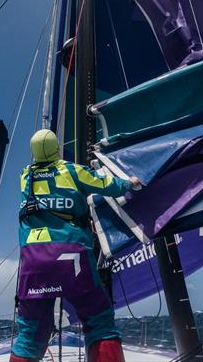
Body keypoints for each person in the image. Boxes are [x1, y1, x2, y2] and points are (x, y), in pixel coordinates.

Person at [11, 129, 140, 362]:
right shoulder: (71, 170)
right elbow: (106, 184)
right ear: (56, 149)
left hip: (32, 260)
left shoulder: (24, 176)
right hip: (69, 252)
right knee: (99, 321)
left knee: (30, 334)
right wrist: (129, 183)